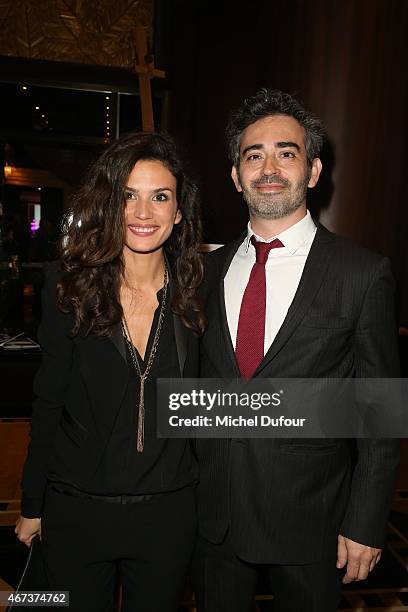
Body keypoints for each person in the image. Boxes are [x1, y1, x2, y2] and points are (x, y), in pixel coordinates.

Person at [193, 90, 400, 612]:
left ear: (312, 170)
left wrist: (367, 521)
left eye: (286, 153)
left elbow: (379, 412)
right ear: (235, 176)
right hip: (212, 517)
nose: (268, 167)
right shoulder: (202, 273)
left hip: (313, 521)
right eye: (252, 155)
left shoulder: (362, 273)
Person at [15, 131, 205, 612]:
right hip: (79, 509)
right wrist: (32, 505)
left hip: (168, 513)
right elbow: (48, 403)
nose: (143, 213)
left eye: (160, 197)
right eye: (128, 196)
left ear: (179, 211)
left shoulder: (200, 295)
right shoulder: (69, 288)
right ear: (108, 204)